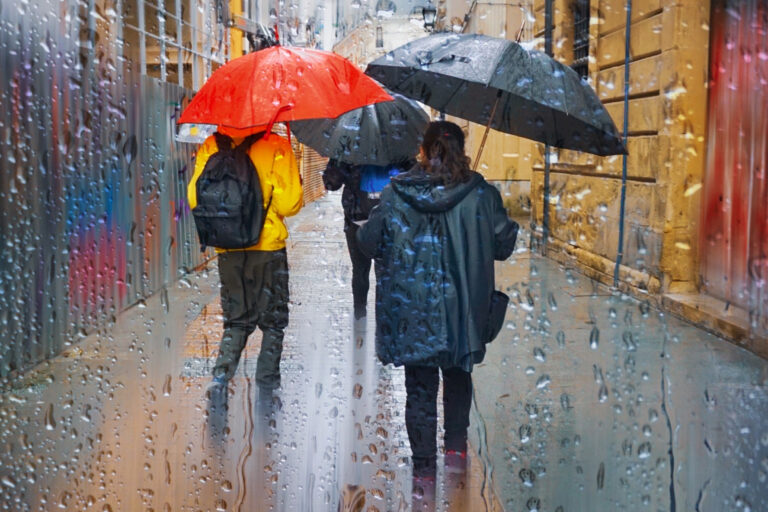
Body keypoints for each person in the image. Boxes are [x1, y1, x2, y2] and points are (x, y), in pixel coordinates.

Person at [357, 121, 518, 479]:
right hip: (463, 310)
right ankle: (457, 451)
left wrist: (372, 223)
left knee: (419, 389)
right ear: (461, 150)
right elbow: (504, 246)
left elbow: (369, 244)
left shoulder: (396, 193)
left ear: (423, 151)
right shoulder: (481, 194)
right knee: (458, 376)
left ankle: (424, 472)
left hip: (412, 310)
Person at [188, 130, 303, 390]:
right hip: (267, 248)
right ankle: (267, 383)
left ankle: (220, 377)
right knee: (273, 321)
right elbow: (289, 205)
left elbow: (195, 197)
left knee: (237, 319)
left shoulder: (211, 144)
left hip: (229, 247)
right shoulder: (276, 145)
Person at [322, 159, 410, 319]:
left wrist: (338, 159)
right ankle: (384, 322)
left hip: (357, 219)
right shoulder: (398, 145)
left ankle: (359, 317)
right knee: (385, 273)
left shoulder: (349, 145)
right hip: (389, 219)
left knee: (360, 271)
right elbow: (412, 178)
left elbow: (331, 183)